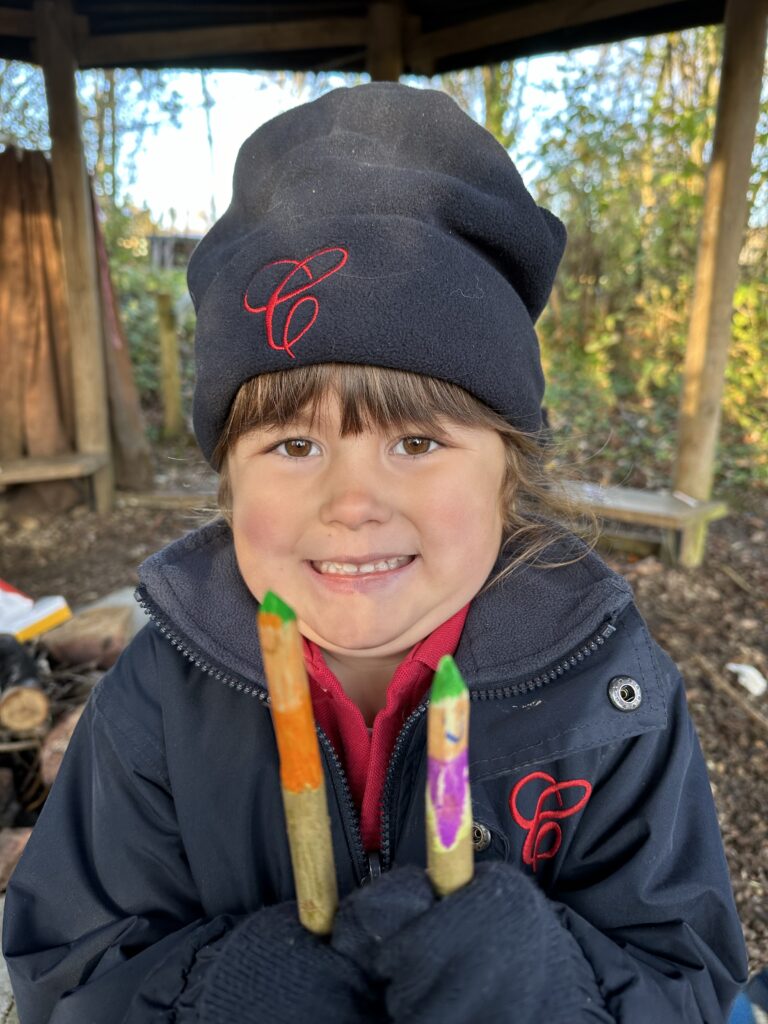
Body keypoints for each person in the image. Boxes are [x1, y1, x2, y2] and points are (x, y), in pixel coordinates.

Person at [2, 83, 747, 1024]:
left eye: (418, 443)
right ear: (226, 486)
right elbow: (69, 970)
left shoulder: (611, 705)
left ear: (509, 478)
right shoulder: (156, 698)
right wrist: (211, 996)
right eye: (294, 446)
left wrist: (555, 988)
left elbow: (694, 985)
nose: (352, 503)